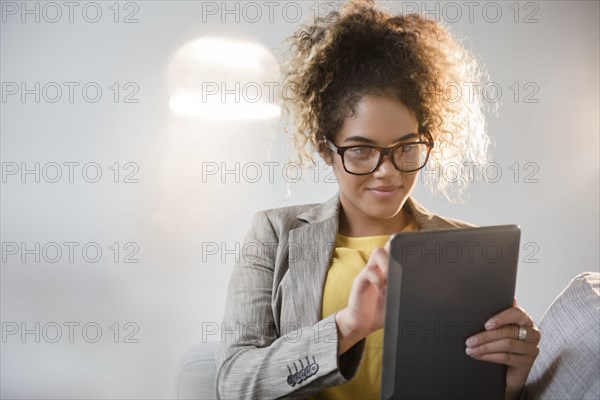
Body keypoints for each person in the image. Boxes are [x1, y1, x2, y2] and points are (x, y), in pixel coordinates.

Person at [214, 1, 540, 399]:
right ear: (326, 151)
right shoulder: (273, 233)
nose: (387, 171)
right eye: (361, 150)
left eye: (406, 147)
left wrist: (508, 385)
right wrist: (349, 325)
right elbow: (234, 384)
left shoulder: (469, 248)